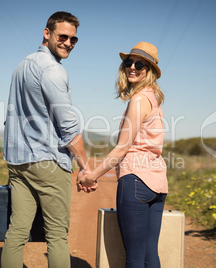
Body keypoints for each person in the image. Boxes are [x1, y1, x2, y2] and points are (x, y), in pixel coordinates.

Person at [2, 11, 97, 268]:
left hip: (18, 162)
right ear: (47, 33)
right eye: (63, 36)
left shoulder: (22, 66)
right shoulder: (53, 70)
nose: (68, 43)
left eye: (74, 39)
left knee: (17, 231)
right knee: (56, 235)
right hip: (47, 163)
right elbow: (68, 125)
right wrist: (85, 167)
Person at [78, 42, 168, 267]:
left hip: (136, 180)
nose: (133, 67)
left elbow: (122, 148)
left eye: (140, 64)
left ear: (150, 71)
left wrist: (92, 175)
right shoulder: (153, 99)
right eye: (129, 62)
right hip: (157, 183)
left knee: (135, 257)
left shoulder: (138, 100)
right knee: (149, 255)